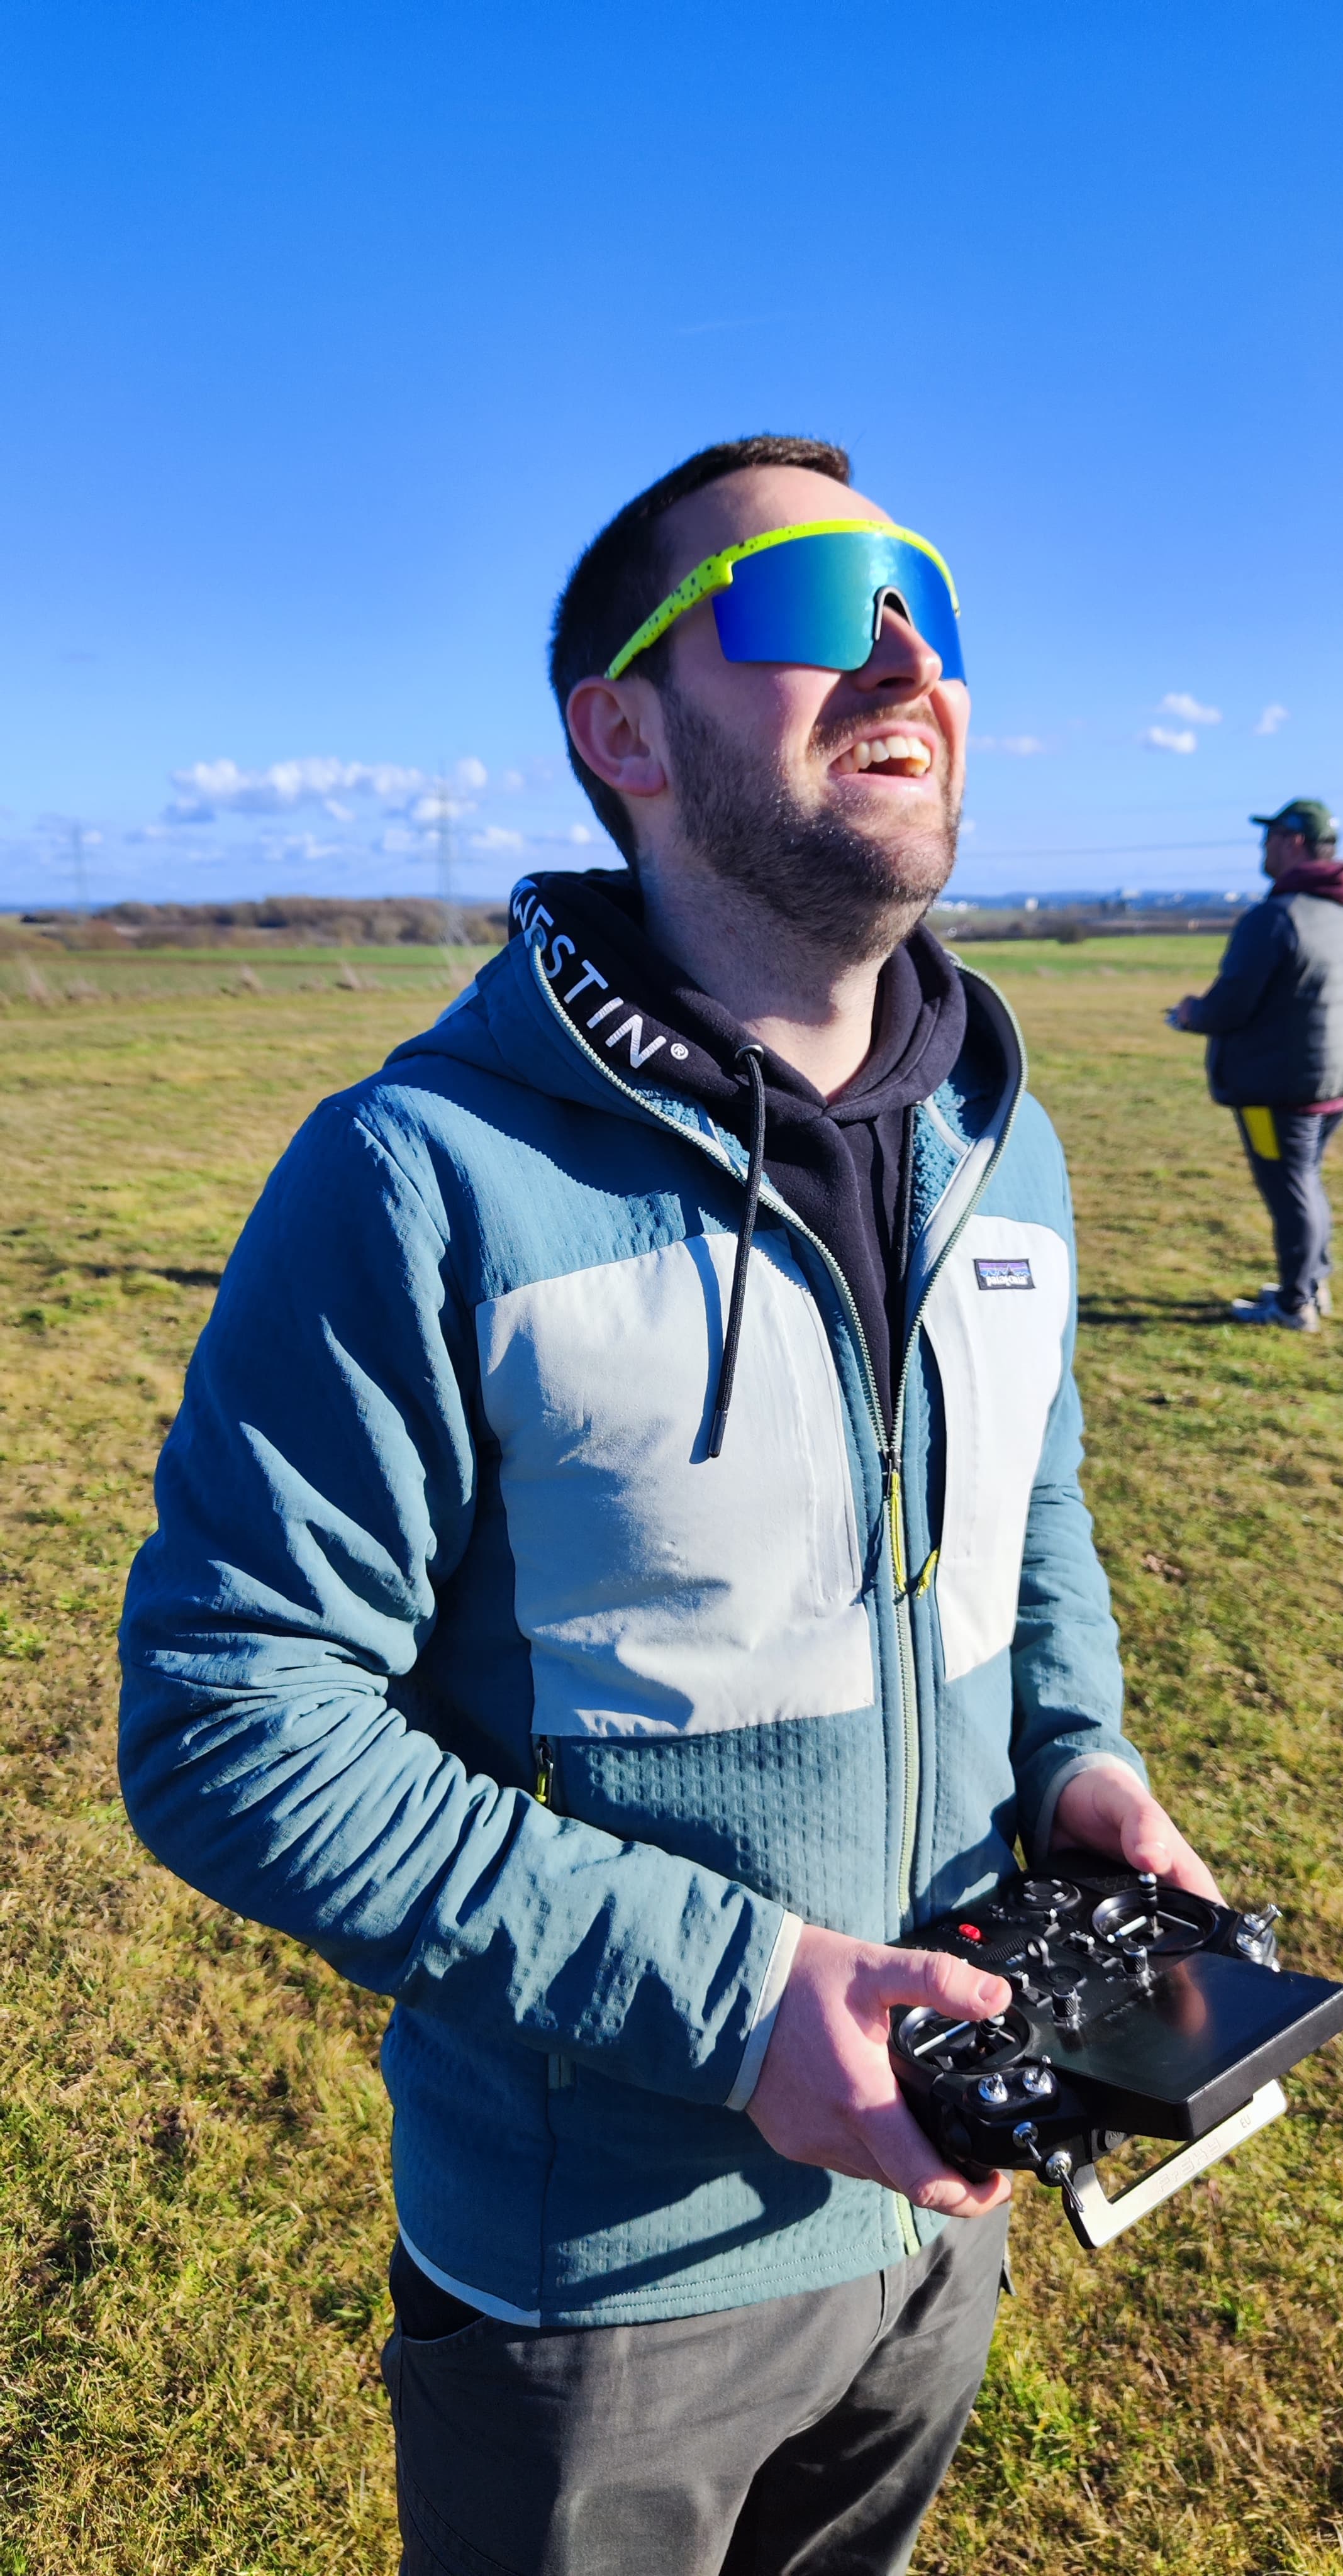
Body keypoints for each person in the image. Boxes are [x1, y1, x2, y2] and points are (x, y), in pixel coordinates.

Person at [118, 435, 1218, 2576]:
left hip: (944, 2196)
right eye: (810, 602)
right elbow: (232, 1722)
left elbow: (1032, 1513)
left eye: (929, 604)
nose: (903, 654)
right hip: (599, 2286)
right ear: (621, 731)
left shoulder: (1006, 1142)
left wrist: (1075, 1754)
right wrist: (738, 2003)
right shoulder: (420, 1175)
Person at [1167, 798, 1343, 1332]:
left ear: (1294, 843)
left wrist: (1192, 1013)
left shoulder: (1276, 917)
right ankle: (1312, 1282)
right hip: (1341, 1078)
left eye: (1270, 838)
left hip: (1281, 1088)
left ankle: (1293, 1304)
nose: (1262, 848)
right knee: (1305, 1181)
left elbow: (1230, 1005)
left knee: (1290, 1191)